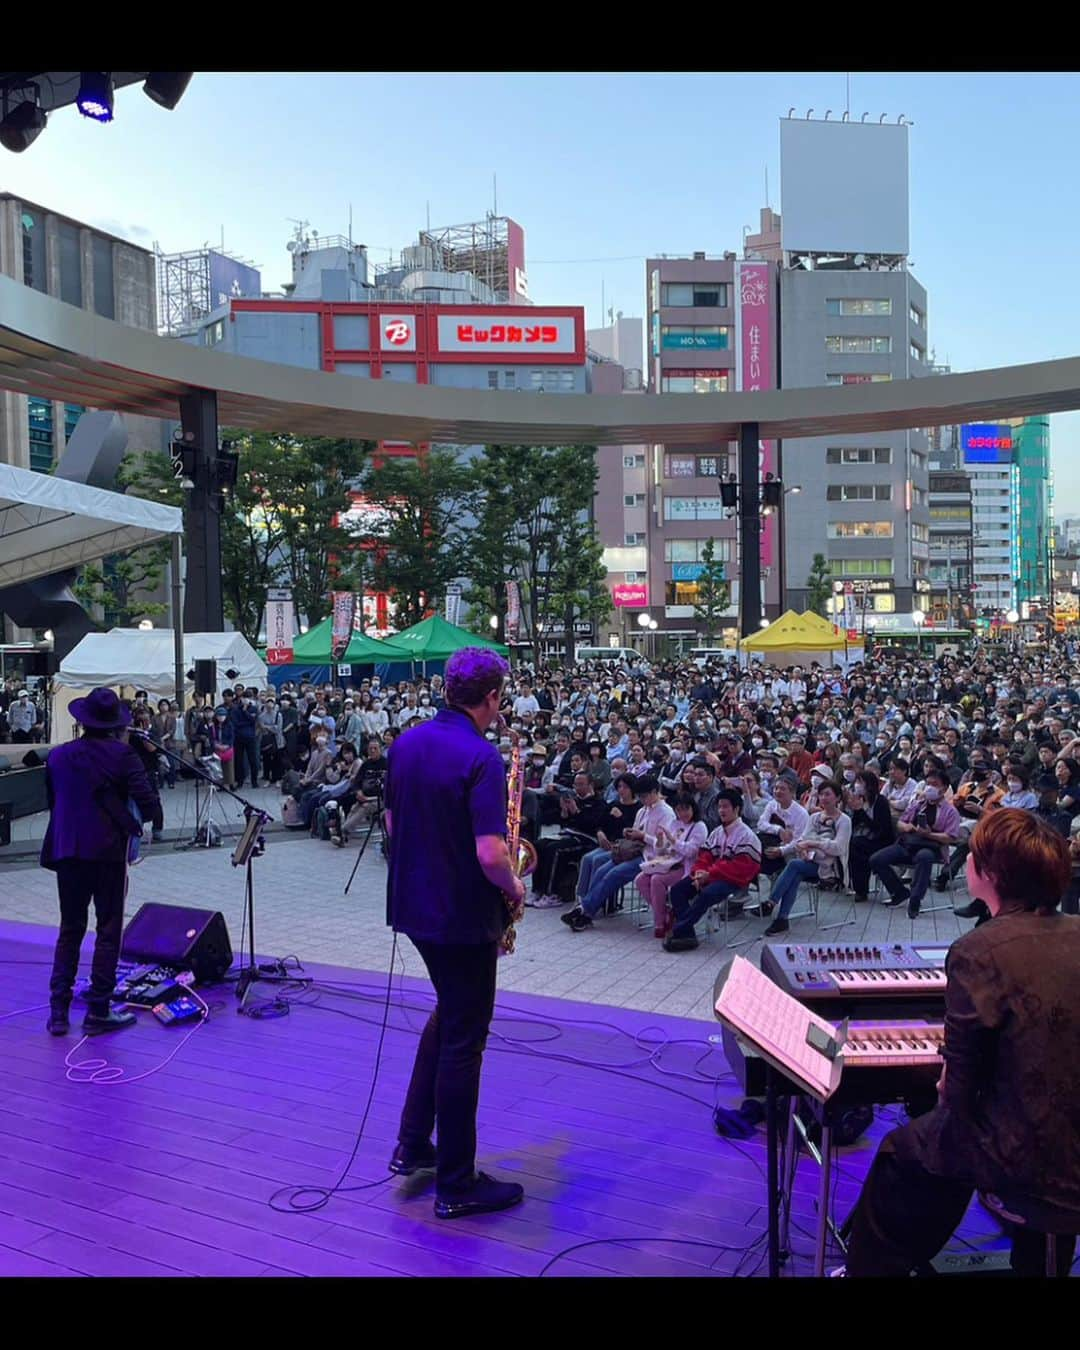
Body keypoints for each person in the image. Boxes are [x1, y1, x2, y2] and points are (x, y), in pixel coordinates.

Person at [841, 810, 1080, 1277]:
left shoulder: (978, 951)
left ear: (988, 874)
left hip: (1029, 1157)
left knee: (904, 1151)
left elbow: (959, 1090)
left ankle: (877, 1269)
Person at [384, 647, 525, 1221]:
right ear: (491, 697)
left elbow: (393, 822)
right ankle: (457, 1181)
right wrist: (515, 889)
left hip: (413, 905)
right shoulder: (481, 757)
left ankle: (414, 1144)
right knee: (466, 1041)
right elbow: (491, 852)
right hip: (463, 916)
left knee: (449, 1016)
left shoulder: (406, 742)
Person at [41, 687, 164, 1037]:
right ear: (115, 725)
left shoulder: (59, 756)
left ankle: (58, 1013)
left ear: (83, 721)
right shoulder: (123, 756)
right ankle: (98, 1009)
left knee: (70, 929)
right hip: (107, 853)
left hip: (68, 850)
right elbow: (148, 801)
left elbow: (53, 799)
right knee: (108, 931)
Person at [561, 775, 675, 931]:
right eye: (640, 796)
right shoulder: (643, 810)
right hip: (633, 850)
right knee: (601, 870)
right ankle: (586, 909)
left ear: (655, 792)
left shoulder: (666, 813)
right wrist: (631, 833)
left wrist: (643, 837)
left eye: (644, 796)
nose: (642, 800)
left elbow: (664, 846)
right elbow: (636, 829)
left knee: (614, 874)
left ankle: (585, 910)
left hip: (651, 857)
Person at [663, 788, 762, 951]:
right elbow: (704, 856)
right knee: (677, 890)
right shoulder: (717, 832)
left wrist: (709, 874)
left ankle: (679, 929)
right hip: (710, 875)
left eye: (726, 806)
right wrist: (699, 872)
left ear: (737, 809)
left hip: (733, 879)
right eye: (719, 807)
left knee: (707, 893)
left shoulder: (747, 836)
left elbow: (741, 867)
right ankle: (688, 935)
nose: (721, 810)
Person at [762, 780, 852, 937]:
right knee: (795, 872)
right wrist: (804, 848)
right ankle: (782, 919)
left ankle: (772, 903)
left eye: (828, 794)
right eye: (821, 794)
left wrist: (812, 843)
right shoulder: (814, 817)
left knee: (794, 866)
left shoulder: (844, 820)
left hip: (830, 868)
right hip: (810, 860)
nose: (823, 798)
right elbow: (802, 840)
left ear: (837, 798)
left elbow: (839, 848)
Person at [871, 768, 962, 918]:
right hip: (909, 843)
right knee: (877, 859)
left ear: (944, 788)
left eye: (935, 784)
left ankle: (915, 899)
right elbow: (900, 822)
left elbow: (950, 837)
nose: (930, 788)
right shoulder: (919, 804)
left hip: (932, 847)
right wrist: (906, 827)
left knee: (924, 857)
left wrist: (929, 834)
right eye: (928, 784)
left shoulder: (950, 811)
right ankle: (899, 892)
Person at [635, 793, 708, 937]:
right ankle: (665, 912)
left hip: (684, 866)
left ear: (693, 808)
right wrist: (661, 841)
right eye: (679, 810)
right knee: (640, 880)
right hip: (667, 862)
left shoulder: (699, 827)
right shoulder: (674, 823)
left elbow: (691, 852)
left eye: (686, 809)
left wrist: (673, 841)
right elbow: (662, 850)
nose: (683, 813)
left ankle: (660, 922)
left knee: (656, 880)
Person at [846, 769, 895, 904]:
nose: (857, 785)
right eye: (856, 782)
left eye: (860, 782)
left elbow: (880, 828)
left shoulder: (880, 802)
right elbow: (854, 824)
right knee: (854, 846)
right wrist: (856, 810)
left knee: (857, 846)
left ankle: (861, 889)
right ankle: (859, 888)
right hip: (864, 839)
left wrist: (861, 811)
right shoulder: (860, 800)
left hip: (881, 840)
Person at [755, 776, 810, 880]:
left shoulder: (801, 814)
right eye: (776, 788)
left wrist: (781, 850)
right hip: (773, 844)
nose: (778, 791)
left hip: (792, 851)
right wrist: (779, 830)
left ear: (792, 792)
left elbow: (799, 841)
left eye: (782, 789)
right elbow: (761, 824)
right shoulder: (772, 805)